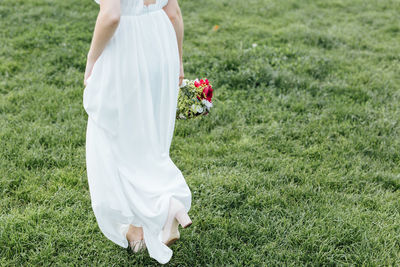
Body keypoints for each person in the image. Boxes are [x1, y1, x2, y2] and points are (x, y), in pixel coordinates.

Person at [82, 0, 192, 264]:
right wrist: (177, 59)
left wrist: (92, 58)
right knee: (149, 138)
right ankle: (165, 203)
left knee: (116, 140)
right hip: (160, 43)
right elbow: (173, 12)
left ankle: (149, 217)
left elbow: (111, 16)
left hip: (126, 50)